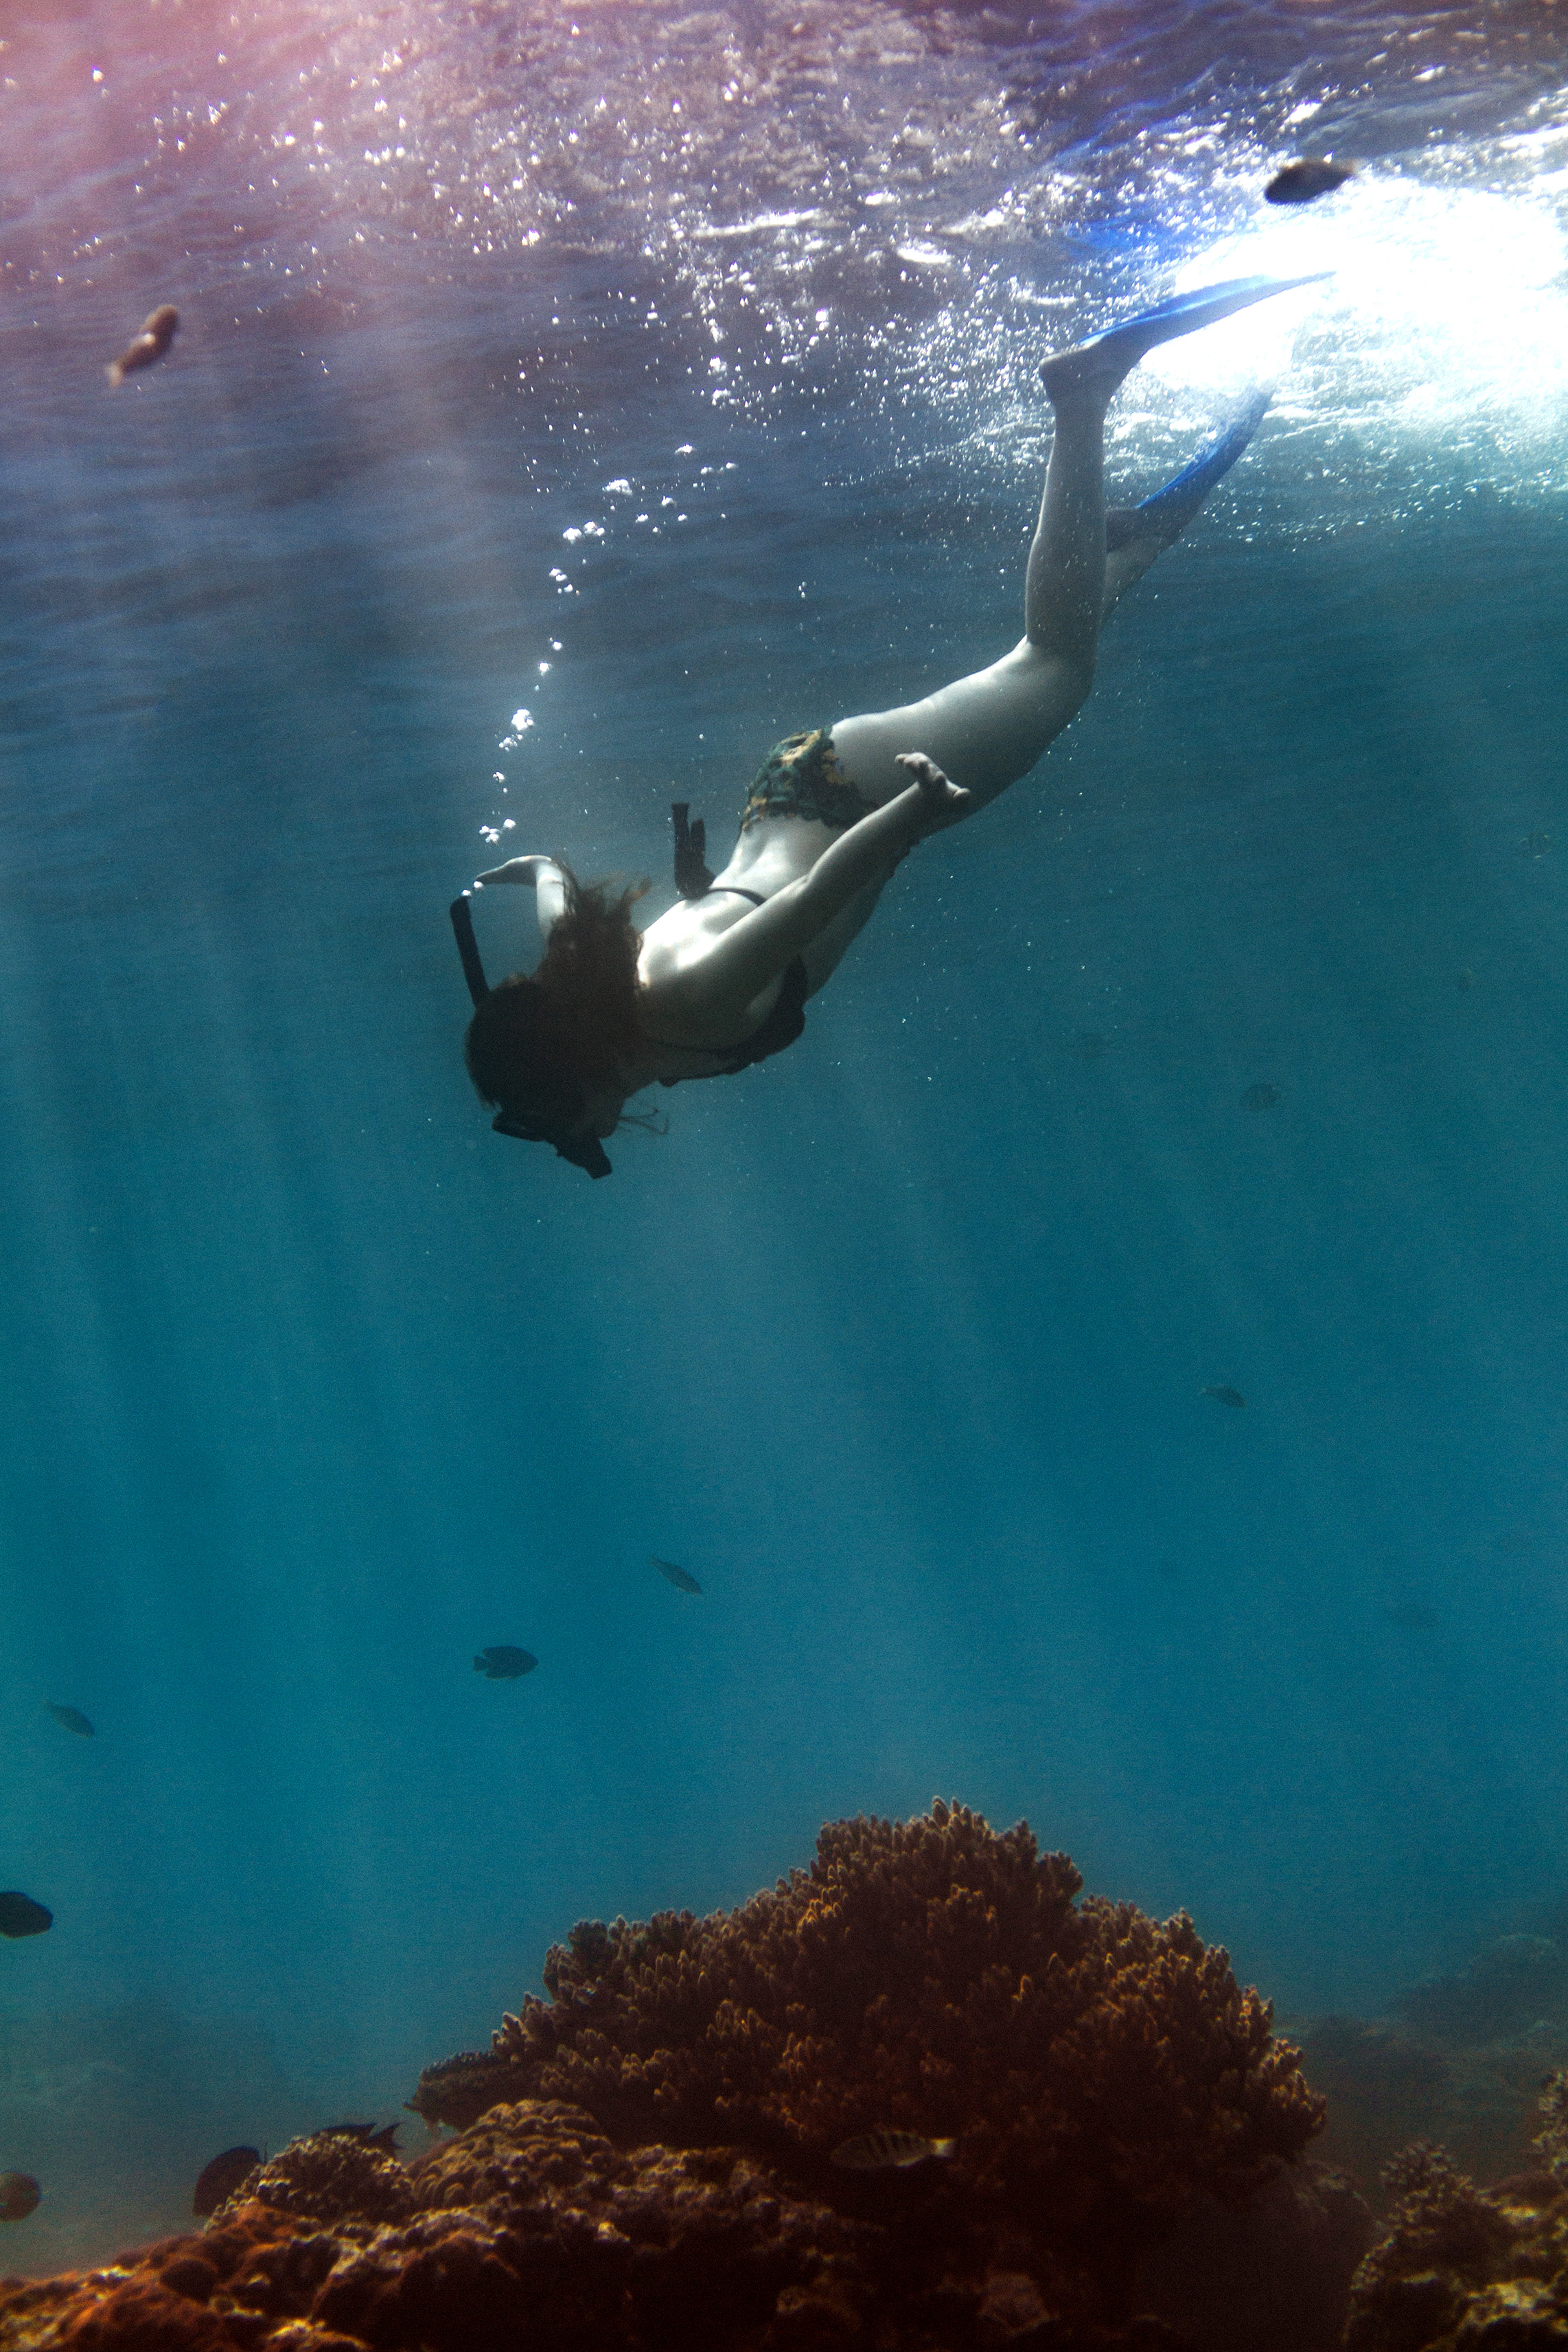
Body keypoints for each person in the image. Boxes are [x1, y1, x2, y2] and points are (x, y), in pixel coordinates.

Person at [452, 273, 1322, 1178]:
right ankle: (1112, 549)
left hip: (858, 796)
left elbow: (810, 902)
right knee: (1064, 641)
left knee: (1054, 669)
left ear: (569, 1077)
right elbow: (561, 881)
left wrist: (909, 815)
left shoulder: (684, 1005)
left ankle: (1083, 393)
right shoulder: (610, 1001)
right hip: (801, 793)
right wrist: (552, 871)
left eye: (546, 1119)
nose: (563, 1138)